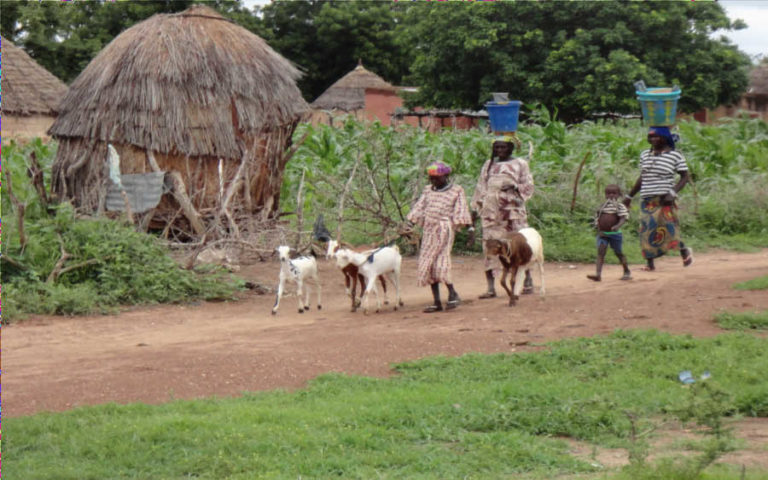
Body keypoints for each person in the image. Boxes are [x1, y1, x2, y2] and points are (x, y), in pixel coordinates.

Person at [469, 134, 535, 298]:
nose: (500, 150)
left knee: (519, 245)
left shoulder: (520, 164)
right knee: (490, 247)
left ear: (510, 148)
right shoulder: (488, 164)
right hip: (491, 213)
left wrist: (514, 186)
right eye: (496, 147)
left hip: (513, 212)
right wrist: (475, 208)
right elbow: (481, 187)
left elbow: (528, 185)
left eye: (503, 147)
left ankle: (527, 281)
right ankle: (491, 288)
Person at [623, 126, 693, 271]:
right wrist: (629, 196)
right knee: (646, 230)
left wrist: (672, 193)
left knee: (670, 228)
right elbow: (642, 177)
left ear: (665, 138)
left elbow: (685, 177)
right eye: (650, 136)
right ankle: (650, 264)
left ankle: (684, 250)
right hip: (647, 199)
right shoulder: (645, 155)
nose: (653, 139)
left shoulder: (675, 156)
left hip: (665, 199)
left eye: (656, 136)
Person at [406, 161, 472, 312]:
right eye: (431, 178)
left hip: (444, 231)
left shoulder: (456, 191)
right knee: (428, 264)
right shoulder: (428, 190)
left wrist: (470, 229)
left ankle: (452, 294)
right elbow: (419, 207)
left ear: (446, 176)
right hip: (429, 231)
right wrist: (409, 224)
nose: (434, 181)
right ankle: (437, 302)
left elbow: (462, 210)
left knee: (441, 264)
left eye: (437, 178)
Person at [587, 184, 632, 281]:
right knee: (601, 252)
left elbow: (623, 218)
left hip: (615, 235)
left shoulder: (620, 206)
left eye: (614, 193)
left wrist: (617, 226)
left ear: (619, 195)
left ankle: (626, 271)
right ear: (605, 195)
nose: (611, 195)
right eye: (608, 193)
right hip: (602, 234)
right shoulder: (602, 206)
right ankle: (598, 275)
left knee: (618, 253)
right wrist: (597, 227)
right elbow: (597, 218)